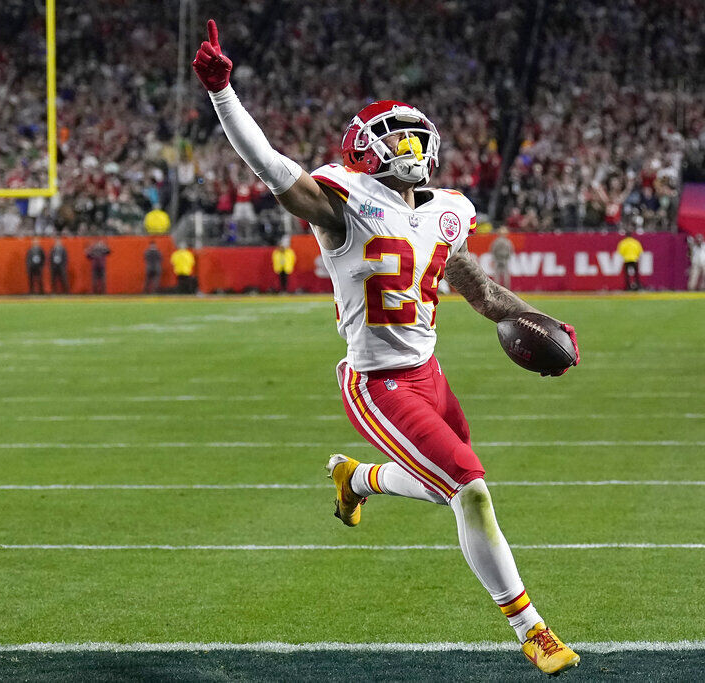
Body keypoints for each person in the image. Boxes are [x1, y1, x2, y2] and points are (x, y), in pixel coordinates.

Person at [194, 20, 581, 675]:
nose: (411, 144)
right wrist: (223, 94)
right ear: (365, 149)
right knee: (471, 491)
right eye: (396, 135)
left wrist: (541, 319)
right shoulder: (344, 202)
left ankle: (359, 477)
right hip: (377, 383)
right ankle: (532, 627)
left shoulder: (443, 211)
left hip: (429, 375)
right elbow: (271, 166)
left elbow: (483, 295)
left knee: (444, 490)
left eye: (415, 134)